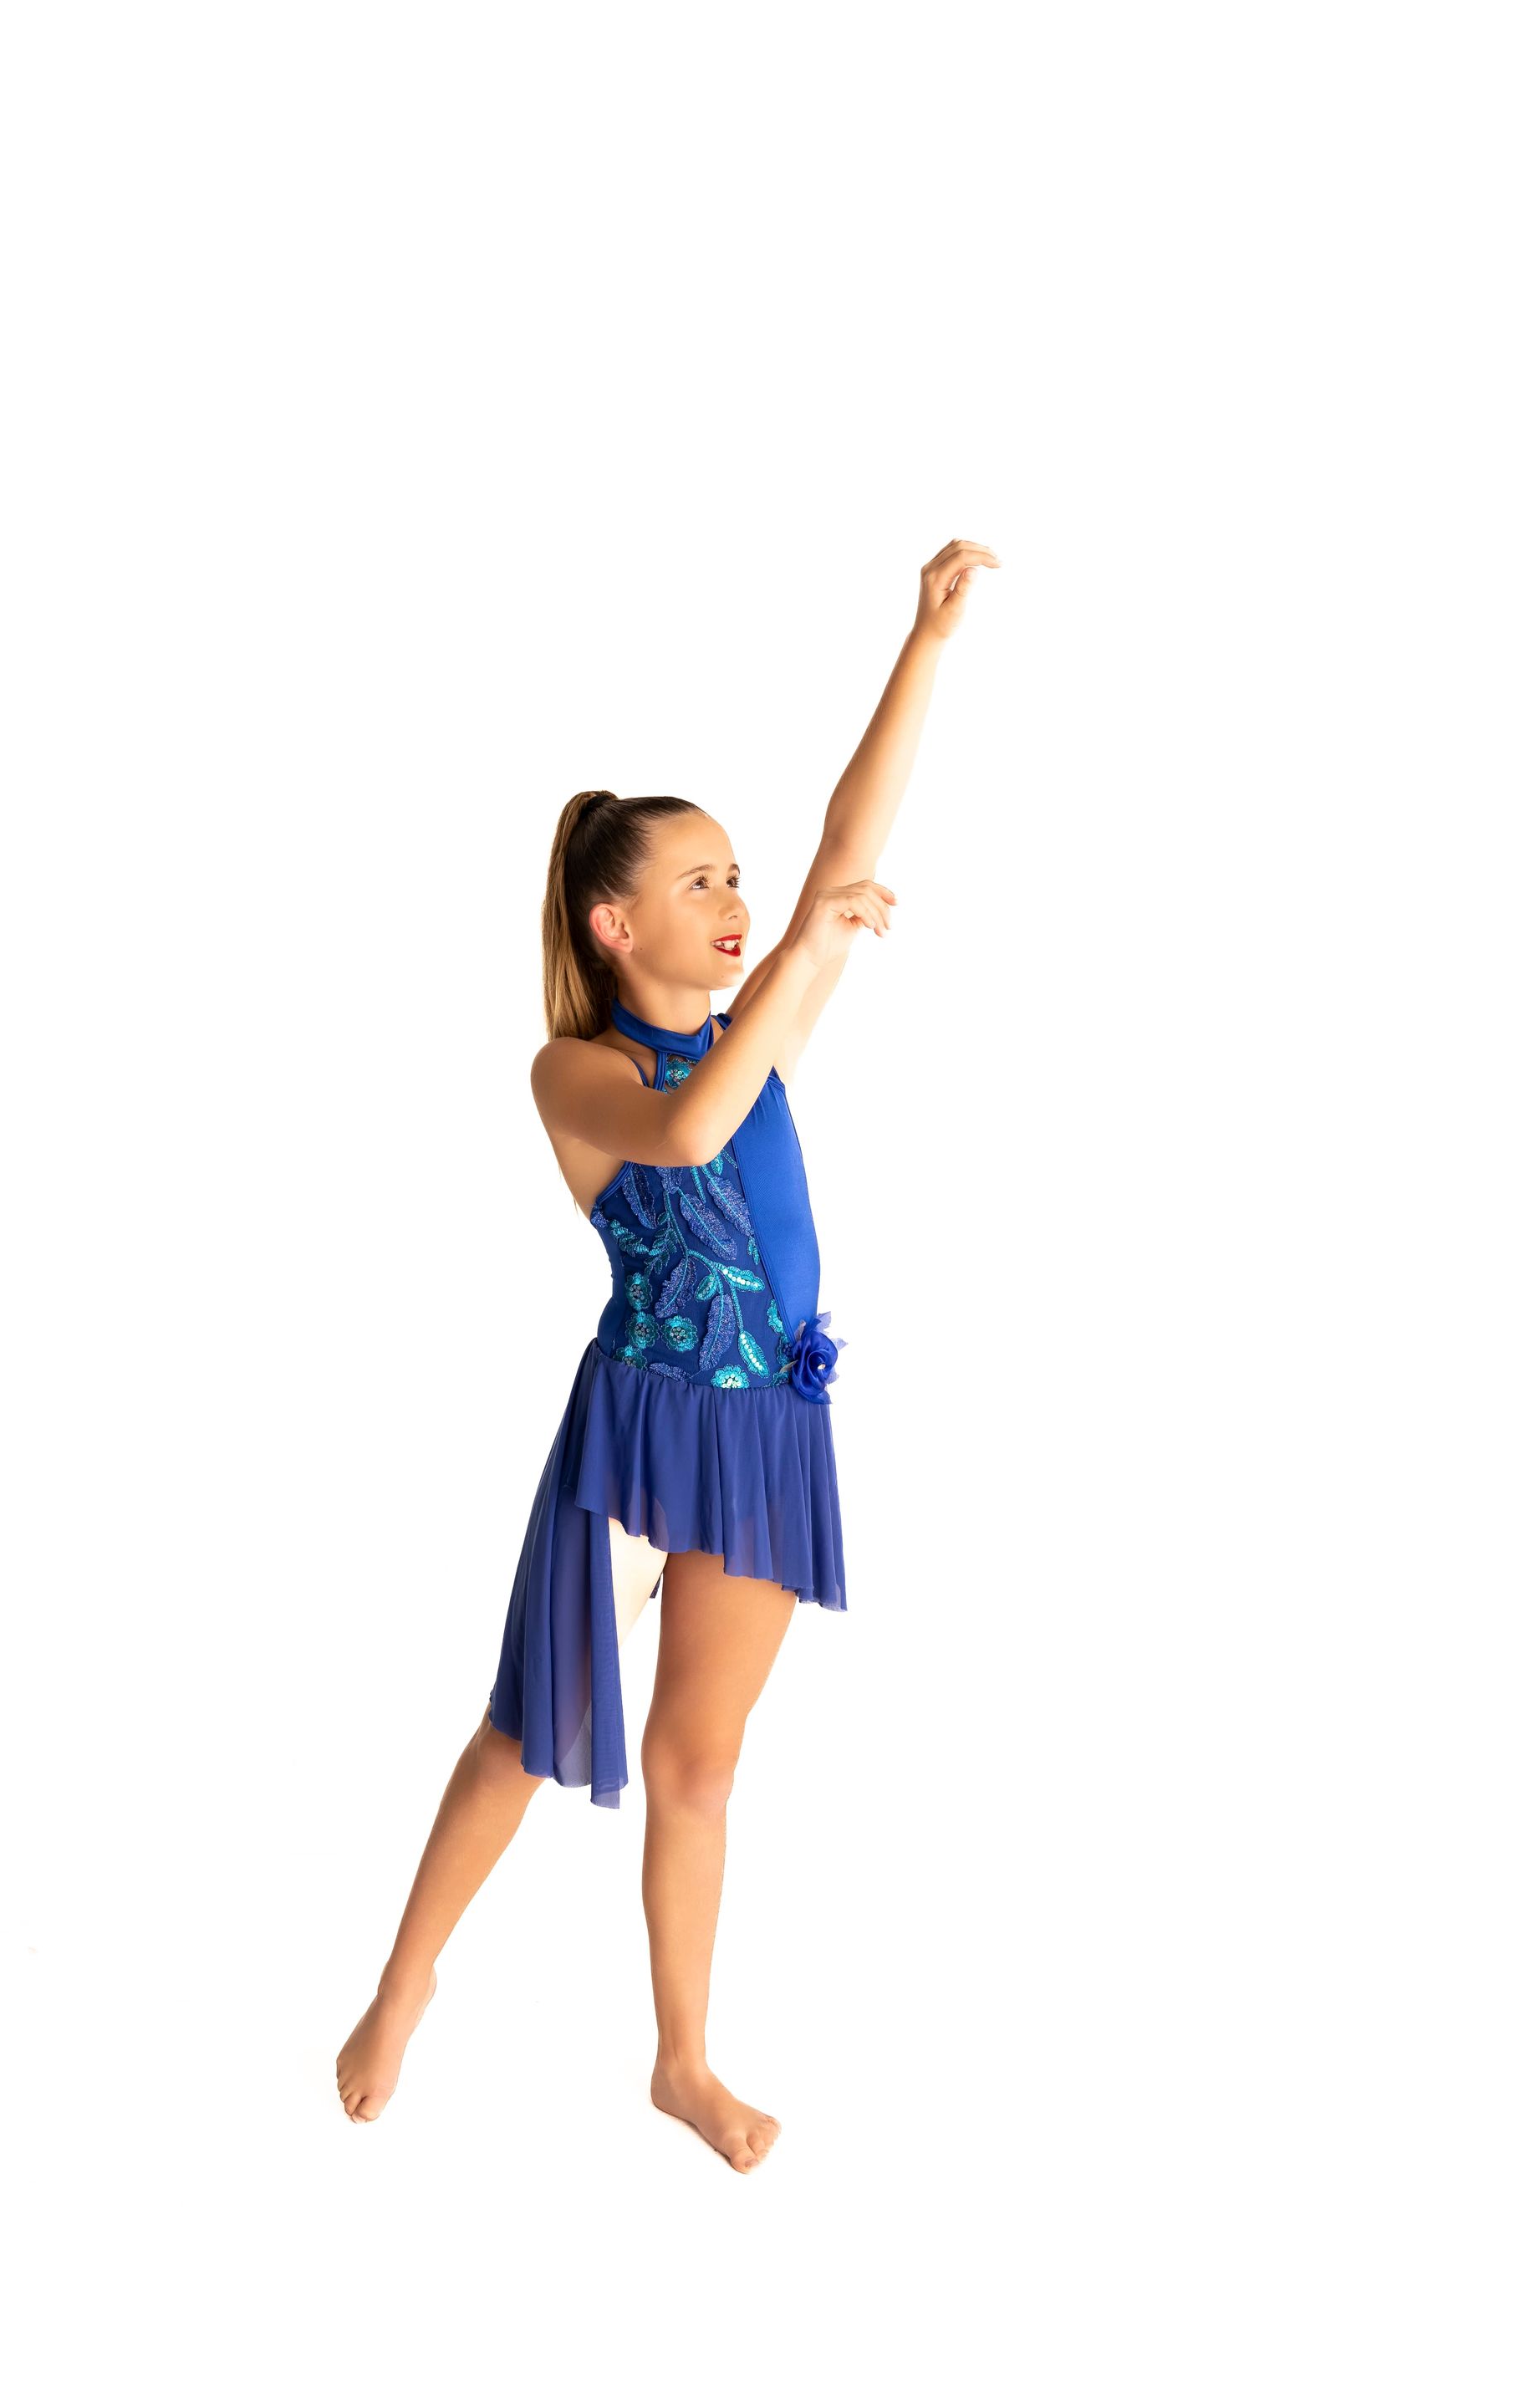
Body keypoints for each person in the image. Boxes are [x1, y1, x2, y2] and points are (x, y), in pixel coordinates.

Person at [335, 536, 998, 2168]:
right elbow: (690, 1130)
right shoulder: (577, 1069)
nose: (740, 899)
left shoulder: (756, 1023)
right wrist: (797, 964)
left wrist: (920, 645)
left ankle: (684, 2060)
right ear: (614, 921)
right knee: (528, 1722)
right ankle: (406, 1979)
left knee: (699, 1757)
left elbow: (853, 840)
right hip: (643, 1428)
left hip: (768, 1420)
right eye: (702, 882)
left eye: (740, 877)